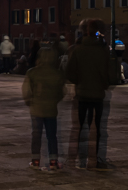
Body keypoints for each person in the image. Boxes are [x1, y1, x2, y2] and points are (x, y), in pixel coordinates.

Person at [66, 19, 115, 169]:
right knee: (99, 128)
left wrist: (79, 81)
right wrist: (103, 84)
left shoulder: (77, 49)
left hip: (82, 93)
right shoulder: (104, 50)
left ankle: (79, 161)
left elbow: (70, 72)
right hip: (98, 94)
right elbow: (111, 74)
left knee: (80, 128)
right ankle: (97, 160)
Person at [23, 45, 67, 171]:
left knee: (36, 134)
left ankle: (35, 160)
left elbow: (26, 91)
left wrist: (30, 102)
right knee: (51, 136)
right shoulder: (57, 74)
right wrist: (54, 101)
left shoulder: (32, 72)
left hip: (36, 108)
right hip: (51, 108)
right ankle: (53, 161)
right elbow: (62, 92)